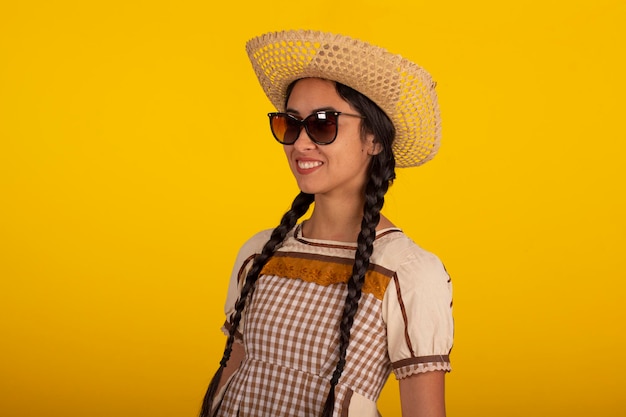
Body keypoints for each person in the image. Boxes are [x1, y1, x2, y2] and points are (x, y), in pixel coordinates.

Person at [200, 30, 454, 417]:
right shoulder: (258, 253)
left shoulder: (407, 272)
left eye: (322, 124)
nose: (300, 144)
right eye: (290, 123)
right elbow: (229, 379)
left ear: (374, 139)